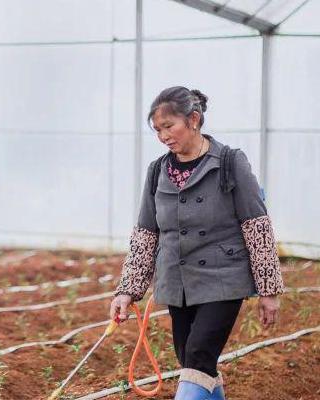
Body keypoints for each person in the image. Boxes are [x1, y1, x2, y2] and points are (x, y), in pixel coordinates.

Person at [109, 86, 284, 400]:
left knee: (199, 356)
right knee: (194, 363)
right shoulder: (157, 172)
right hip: (178, 285)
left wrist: (268, 291)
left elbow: (257, 226)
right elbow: (146, 234)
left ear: (193, 119)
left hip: (223, 279)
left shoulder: (230, 162)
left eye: (169, 126)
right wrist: (127, 290)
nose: (164, 136)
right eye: (158, 130)